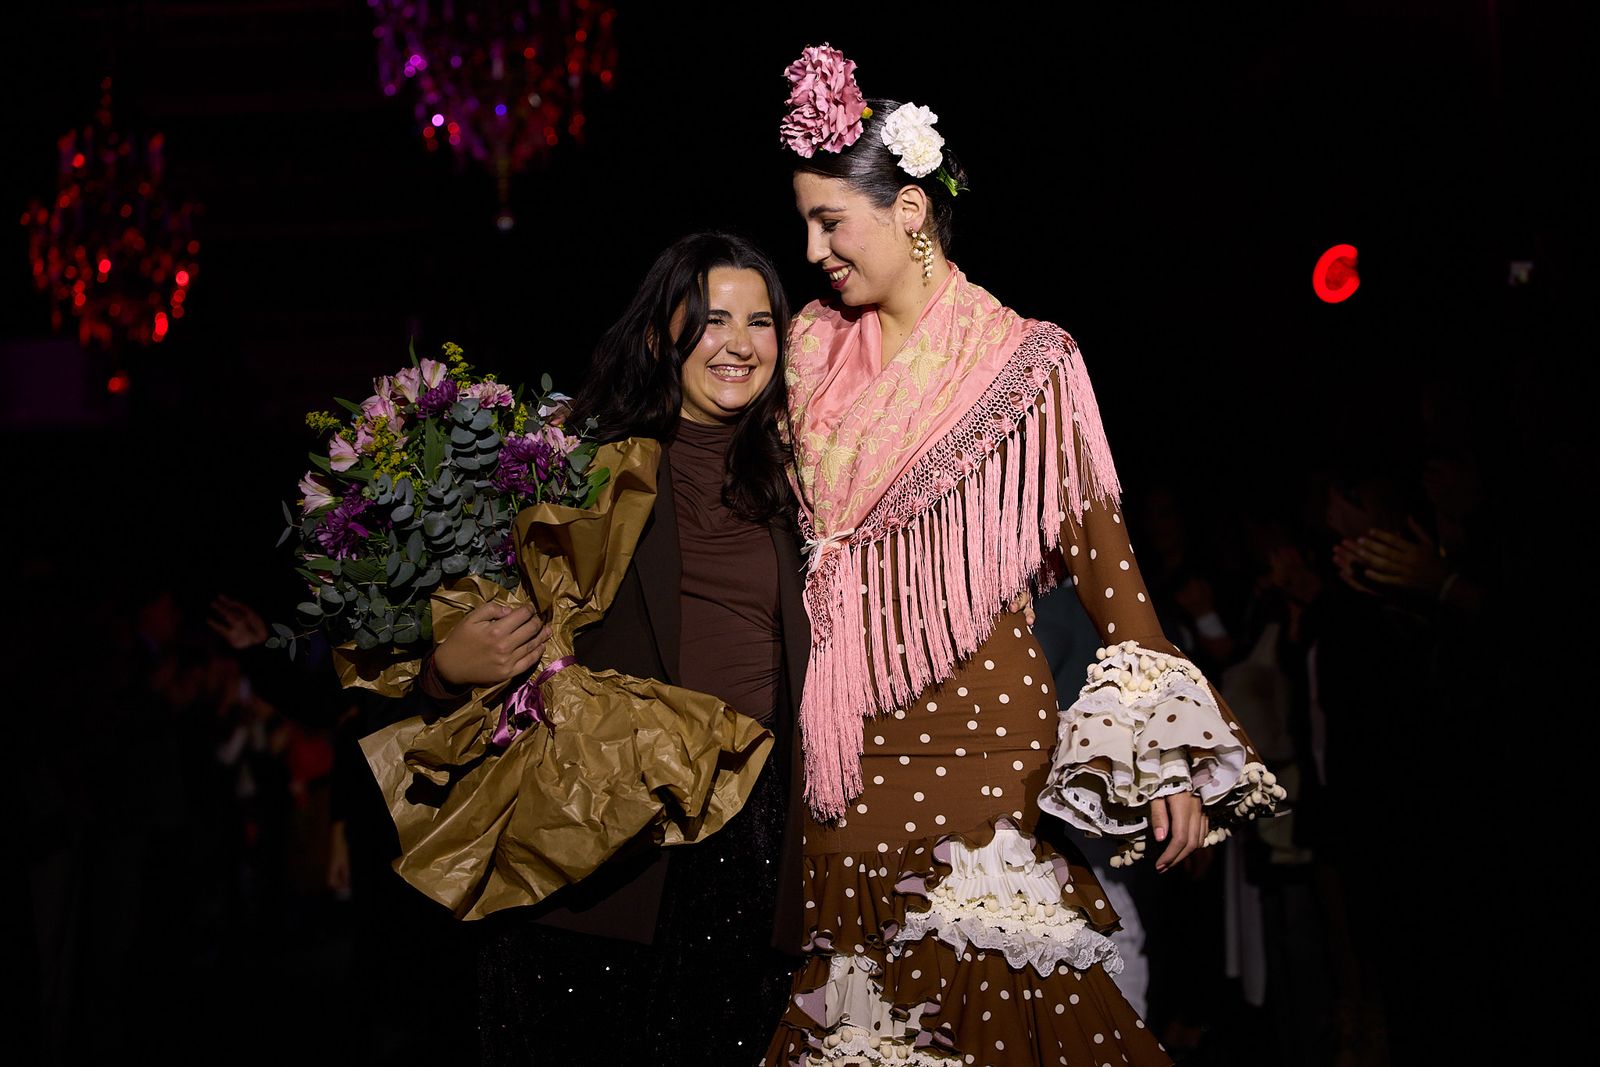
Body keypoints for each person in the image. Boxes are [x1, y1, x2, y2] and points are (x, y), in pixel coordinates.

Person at [766, 46, 1283, 1065]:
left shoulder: (1027, 362)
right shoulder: (807, 353)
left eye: (832, 220)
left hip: (977, 735)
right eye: (805, 225)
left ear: (910, 209)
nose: (816, 247)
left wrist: (1163, 762)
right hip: (840, 748)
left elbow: (1107, 567)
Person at [416, 232, 810, 1065]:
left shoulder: (800, 479)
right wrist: (445, 667)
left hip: (748, 847)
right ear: (657, 334)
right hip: (600, 845)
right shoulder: (578, 460)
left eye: (761, 320)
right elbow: (427, 625)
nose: (741, 343)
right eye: (711, 319)